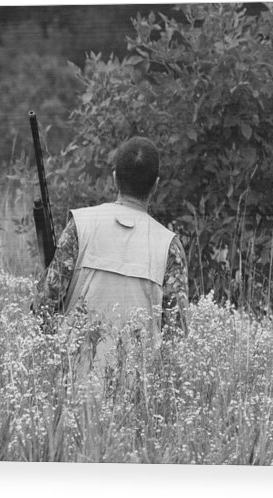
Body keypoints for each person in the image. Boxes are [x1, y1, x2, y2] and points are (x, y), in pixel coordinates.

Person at [37, 136, 189, 376]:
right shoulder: (169, 246)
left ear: (114, 177)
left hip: (75, 386)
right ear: (156, 184)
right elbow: (175, 337)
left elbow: (46, 305)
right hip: (140, 394)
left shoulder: (80, 226)